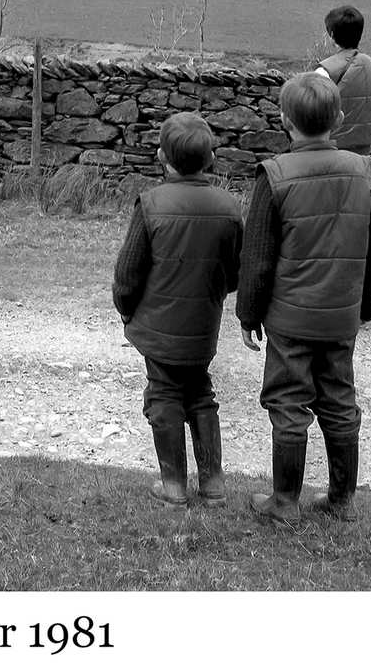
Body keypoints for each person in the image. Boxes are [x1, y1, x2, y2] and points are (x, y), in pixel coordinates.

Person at [236, 71, 371, 523]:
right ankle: (341, 500)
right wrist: (364, 307)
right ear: (339, 118)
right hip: (340, 317)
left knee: (287, 402)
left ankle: (284, 502)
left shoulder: (275, 175)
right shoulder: (362, 170)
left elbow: (257, 256)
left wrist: (248, 313)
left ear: (284, 120)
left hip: (290, 320)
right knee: (339, 402)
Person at [112, 112, 244, 507]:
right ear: (211, 159)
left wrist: (125, 308)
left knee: (164, 395)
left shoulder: (152, 205)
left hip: (158, 327)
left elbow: (128, 272)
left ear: (160, 157)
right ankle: (213, 485)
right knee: (201, 393)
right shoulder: (229, 207)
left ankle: (173, 486)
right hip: (203, 325)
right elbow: (236, 272)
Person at [315, 4, 371, 189]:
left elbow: (312, 122)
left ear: (332, 35)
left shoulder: (323, 72)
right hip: (362, 163)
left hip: (328, 161)